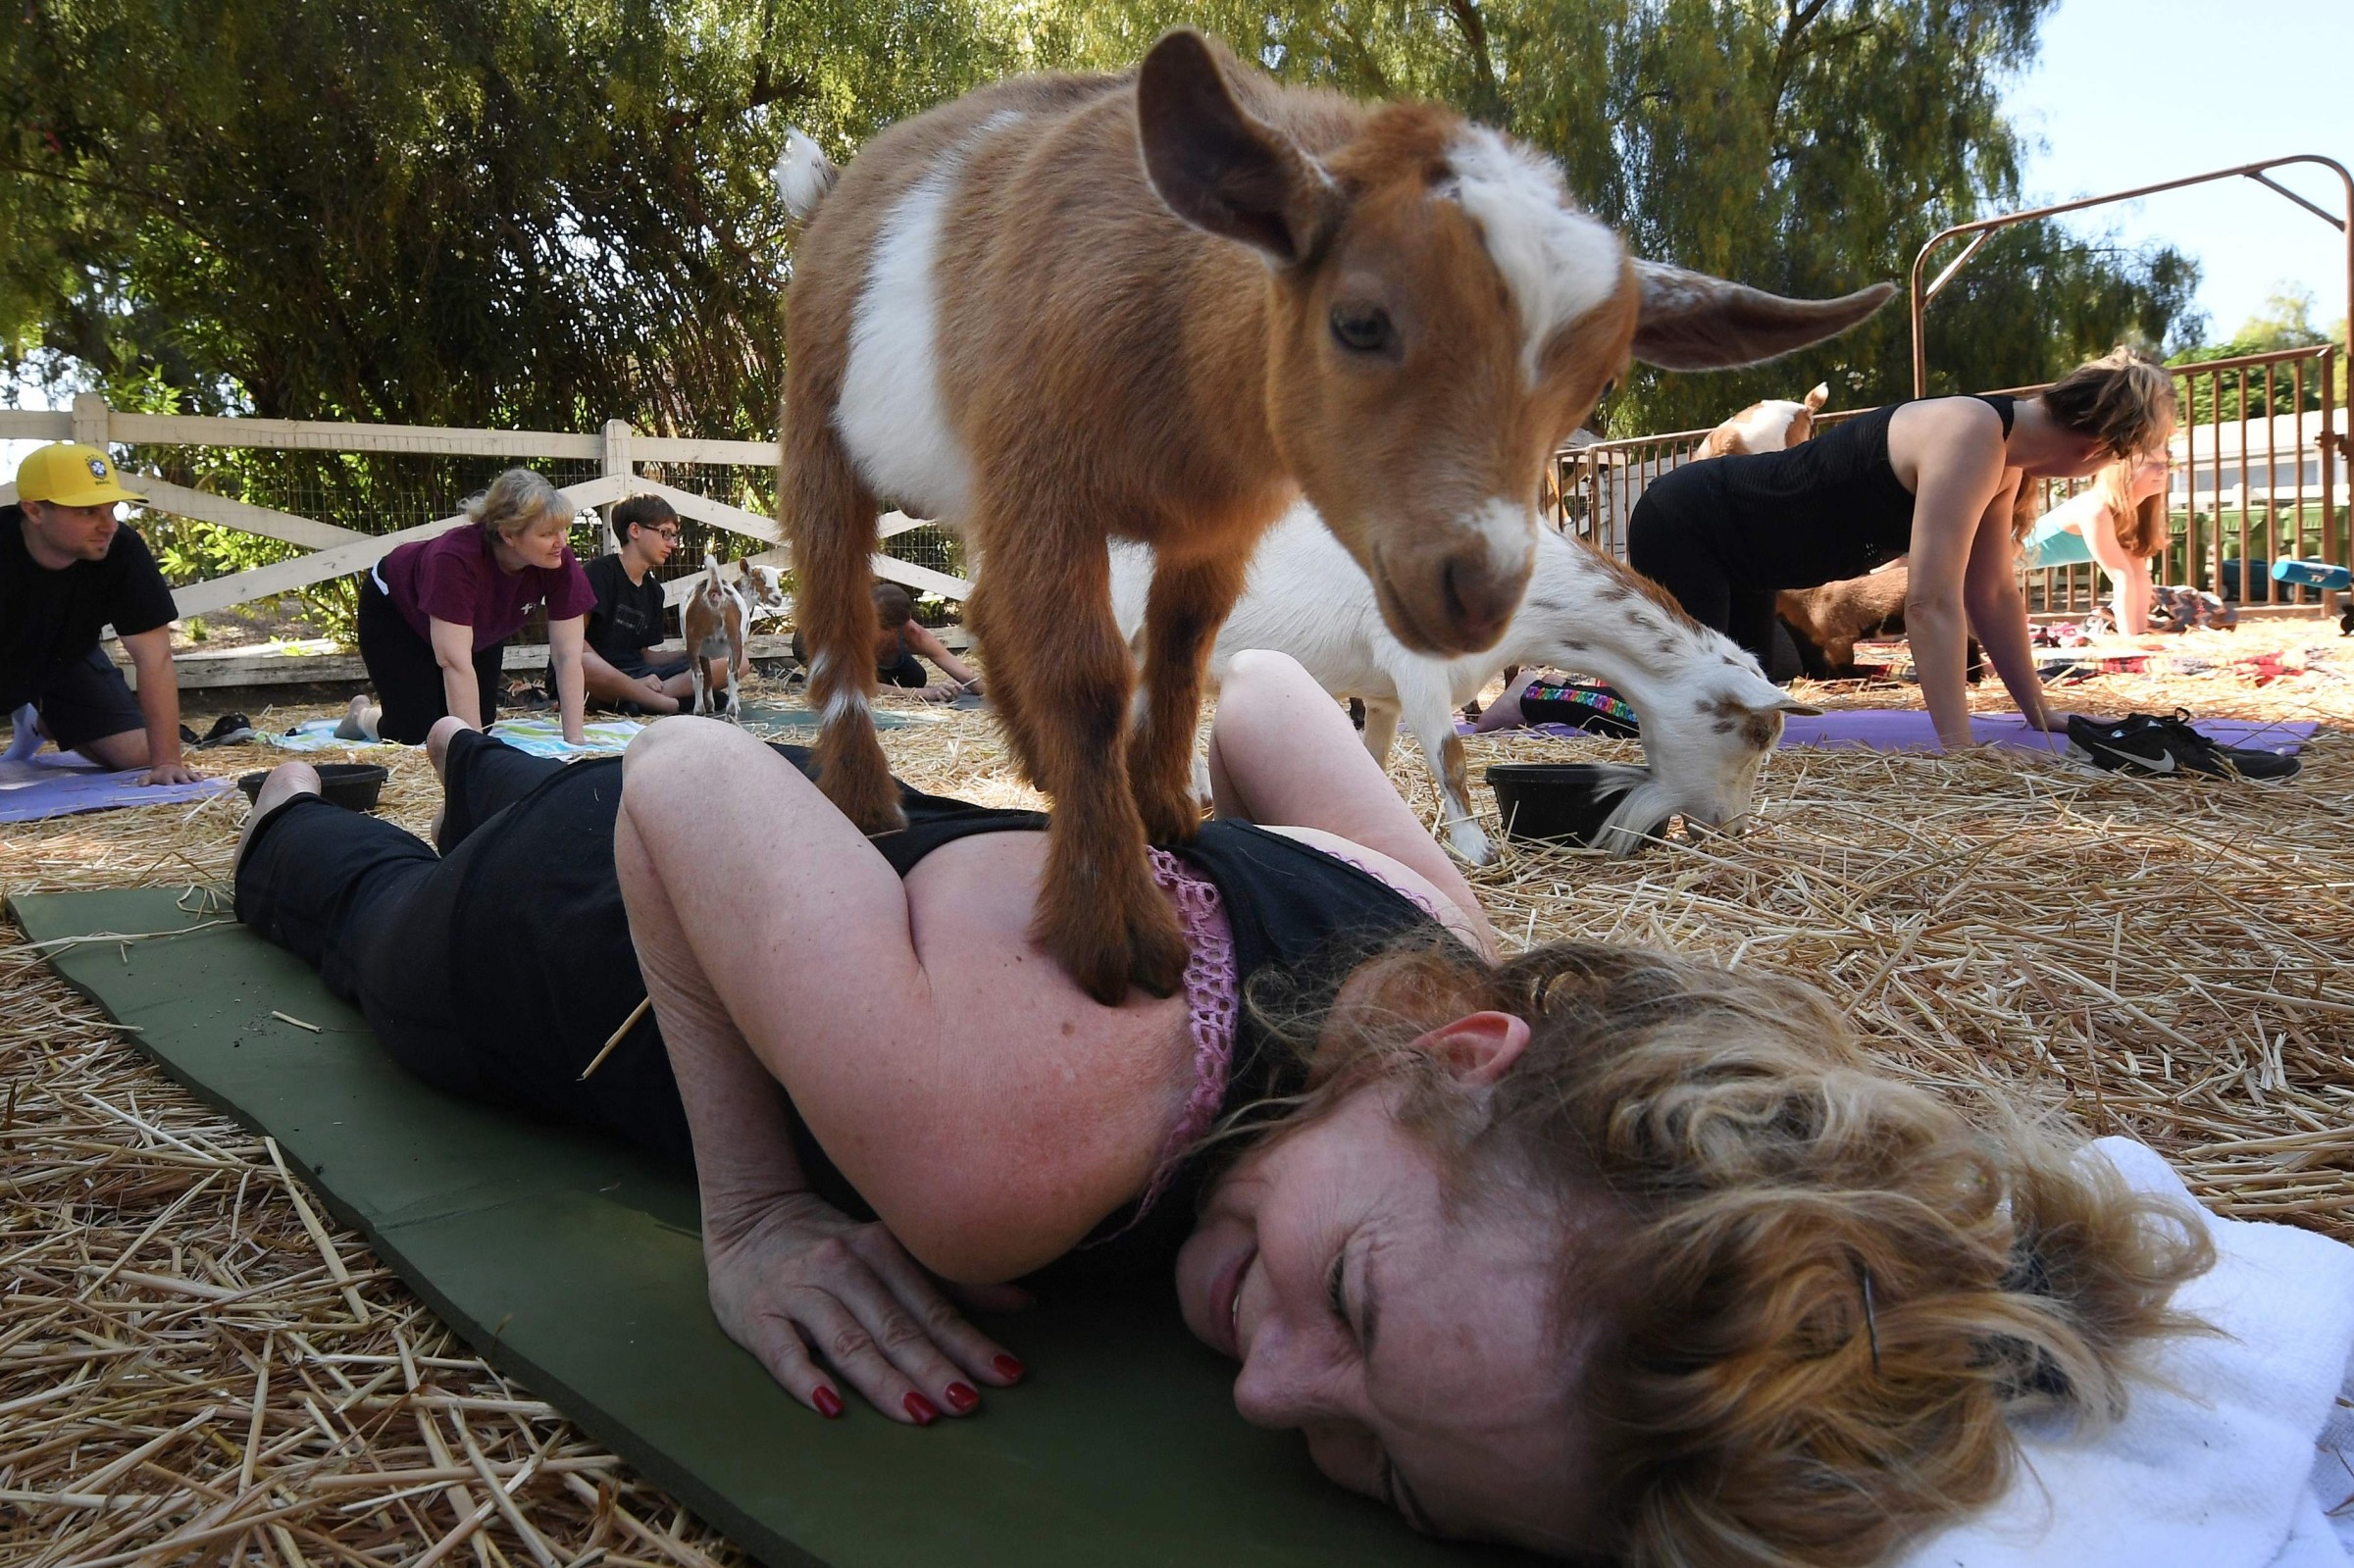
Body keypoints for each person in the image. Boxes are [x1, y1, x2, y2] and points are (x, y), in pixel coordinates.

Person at [232, 649, 2217, 1563]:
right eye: (1347, 1306)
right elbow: (685, 784)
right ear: (1461, 1062)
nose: (1272, 1396)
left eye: (1381, 1476)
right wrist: (755, 1215)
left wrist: (1131, 839)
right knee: (367, 906)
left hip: (852, 859)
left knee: (493, 775)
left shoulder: (1440, 930)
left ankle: (460, 744)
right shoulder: (1006, 1151)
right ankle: (285, 809)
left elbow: (1268, 692)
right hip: (577, 954)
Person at [1627, 347, 2177, 750]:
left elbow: (1990, 593)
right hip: (1690, 523)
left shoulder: (2004, 457)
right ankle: (1571, 710)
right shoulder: (1970, 434)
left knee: (1746, 713)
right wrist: (1958, 749)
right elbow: (1929, 603)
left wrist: (2038, 710)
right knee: (1696, 710)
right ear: (2099, 447)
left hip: (1751, 561)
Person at [342, 468, 594, 745]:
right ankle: (361, 715)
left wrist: (575, 742)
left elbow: (568, 657)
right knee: (414, 734)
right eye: (548, 533)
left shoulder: (557, 561)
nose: (562, 542)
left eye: (563, 529)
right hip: (399, 613)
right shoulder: (455, 559)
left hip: (475, 626)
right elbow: (454, 661)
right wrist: (476, 761)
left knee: (479, 725)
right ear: (508, 535)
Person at [0, 442, 199, 784]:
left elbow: (156, 658)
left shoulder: (122, 550)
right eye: (88, 512)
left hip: (66, 660)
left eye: (112, 509)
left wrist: (167, 762)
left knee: (143, 756)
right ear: (34, 511)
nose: (108, 525)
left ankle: (42, 720)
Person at [2020, 451, 2171, 635]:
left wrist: (2140, 635)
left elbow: (2138, 576)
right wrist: (2130, 642)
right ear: (2121, 469)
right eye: (2149, 462)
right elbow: (2121, 577)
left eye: (2166, 461)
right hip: (1990, 556)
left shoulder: (2132, 512)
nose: (2163, 469)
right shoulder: (2094, 509)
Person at [581, 495, 692, 715]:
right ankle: (656, 700)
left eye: (674, 536)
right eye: (665, 533)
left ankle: (639, 699)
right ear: (635, 531)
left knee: (732, 663)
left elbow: (644, 655)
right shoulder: (598, 573)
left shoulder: (654, 592)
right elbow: (574, 643)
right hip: (598, 675)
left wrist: (690, 654)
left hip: (639, 673)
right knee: (584, 663)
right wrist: (630, 682)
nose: (672, 543)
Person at [792, 582, 981, 702]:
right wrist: (926, 694)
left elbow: (966, 676)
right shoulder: (848, 631)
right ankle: (815, 673)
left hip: (881, 660)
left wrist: (997, 694)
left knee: (915, 677)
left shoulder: (911, 632)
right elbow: (862, 686)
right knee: (832, 682)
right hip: (829, 656)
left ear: (894, 630)